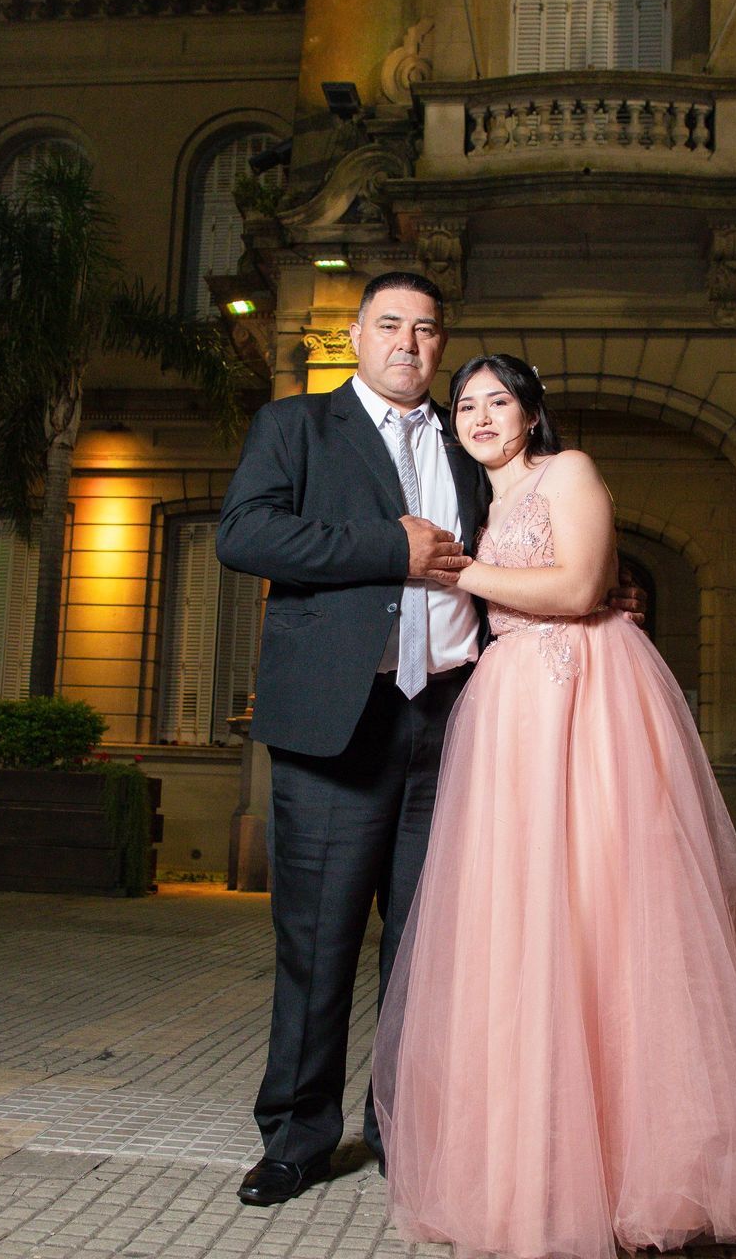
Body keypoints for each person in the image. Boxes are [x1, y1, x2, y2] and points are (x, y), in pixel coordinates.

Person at [374, 355, 736, 1259]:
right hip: (507, 714)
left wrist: (460, 576)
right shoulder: (475, 499)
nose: (482, 416)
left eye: (500, 401)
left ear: (533, 413)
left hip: (587, 699)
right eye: (467, 405)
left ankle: (636, 1170)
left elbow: (580, 589)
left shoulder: (566, 472)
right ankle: (530, 1169)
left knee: (611, 915)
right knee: (517, 935)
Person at [216, 274, 638, 1207]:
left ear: (440, 347)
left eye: (428, 329)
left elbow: (541, 544)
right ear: (358, 335)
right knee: (318, 943)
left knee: (432, 945)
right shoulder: (297, 427)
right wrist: (386, 550)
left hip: (455, 724)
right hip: (340, 721)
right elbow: (243, 536)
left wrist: (607, 590)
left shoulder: (469, 441)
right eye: (391, 324)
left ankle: (408, 1127)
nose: (410, 341)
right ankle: (297, 1135)